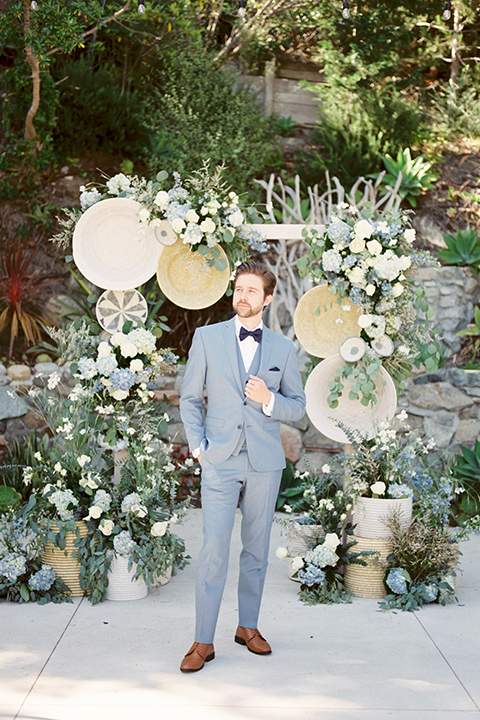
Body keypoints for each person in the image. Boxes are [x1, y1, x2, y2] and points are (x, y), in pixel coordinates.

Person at [179, 260, 306, 673]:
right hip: (219, 460)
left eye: (252, 291)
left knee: (256, 551)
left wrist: (269, 399)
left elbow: (299, 410)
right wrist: (199, 447)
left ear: (267, 299)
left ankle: (247, 627)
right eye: (239, 288)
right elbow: (189, 398)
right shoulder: (207, 338)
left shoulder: (283, 350)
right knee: (214, 549)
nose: (243, 296)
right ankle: (202, 640)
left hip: (265, 463)